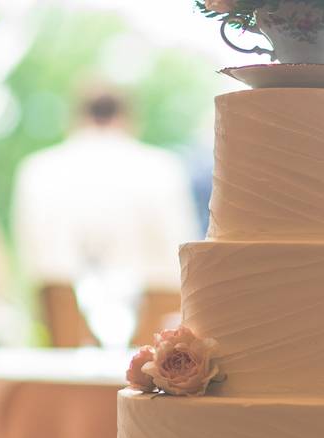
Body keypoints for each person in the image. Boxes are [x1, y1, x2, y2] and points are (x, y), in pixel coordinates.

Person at [13, 88, 200, 296]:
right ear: (130, 118)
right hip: (151, 320)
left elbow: (31, 262)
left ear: (75, 117)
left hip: (64, 319)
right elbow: (183, 260)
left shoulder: (38, 171)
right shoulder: (163, 168)